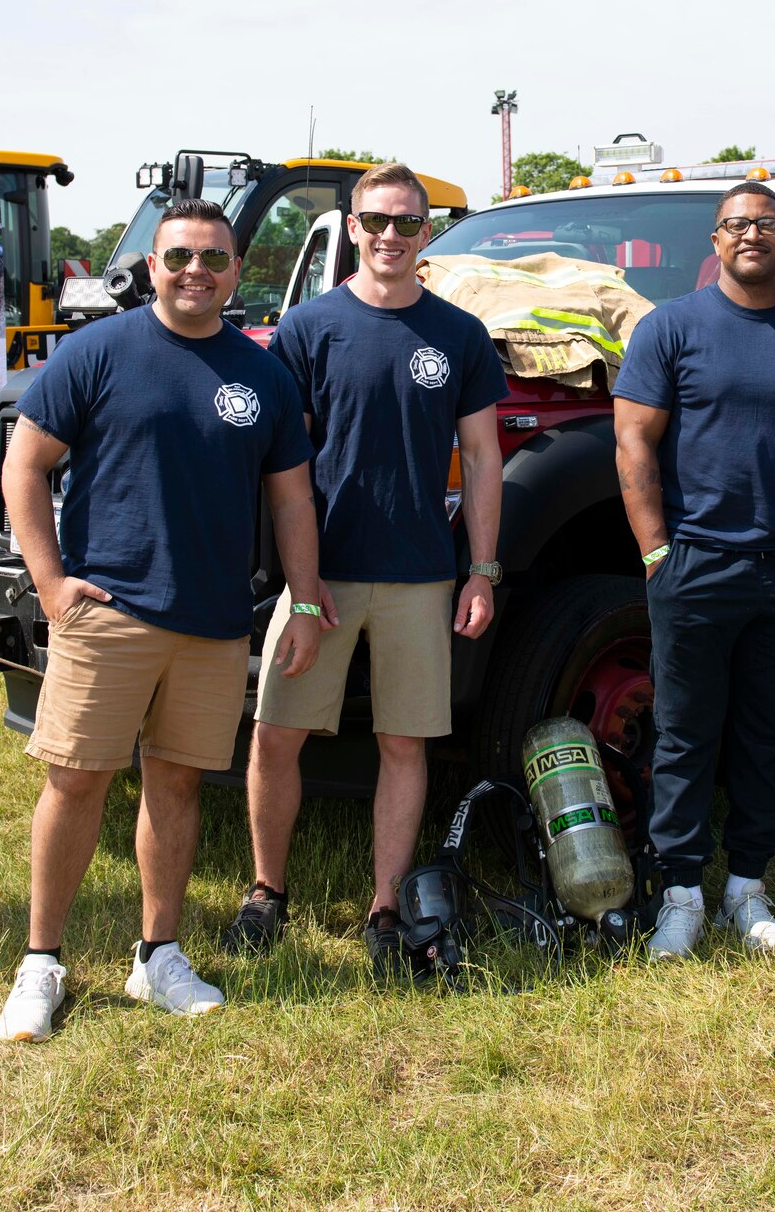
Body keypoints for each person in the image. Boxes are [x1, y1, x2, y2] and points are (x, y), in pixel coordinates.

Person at [0, 199, 320, 1042]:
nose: (195, 271)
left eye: (213, 257)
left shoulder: (263, 375)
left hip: (212, 620)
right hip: (108, 610)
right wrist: (52, 582)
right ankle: (41, 963)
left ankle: (159, 955)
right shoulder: (97, 350)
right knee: (77, 779)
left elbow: (291, 499)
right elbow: (24, 465)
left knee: (175, 784)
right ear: (151, 265)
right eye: (178, 256)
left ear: (236, 271)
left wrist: (308, 598)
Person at [227, 163, 507, 971]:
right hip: (320, 579)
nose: (391, 235)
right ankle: (266, 891)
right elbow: (284, 472)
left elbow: (484, 459)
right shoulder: (309, 330)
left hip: (421, 575)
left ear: (427, 233)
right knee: (276, 733)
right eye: (376, 221)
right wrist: (301, 586)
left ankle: (386, 907)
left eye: (407, 223)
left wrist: (482, 568)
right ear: (352, 228)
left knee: (403, 744)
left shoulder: (457, 335)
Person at [612, 181, 775, 959]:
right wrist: (657, 553)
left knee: (767, 734)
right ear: (714, 242)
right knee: (685, 734)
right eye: (736, 224)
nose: (752, 234)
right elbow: (633, 443)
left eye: (766, 223)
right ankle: (680, 892)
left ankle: (747, 887)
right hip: (695, 566)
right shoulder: (670, 329)